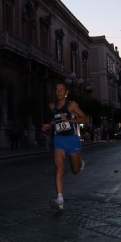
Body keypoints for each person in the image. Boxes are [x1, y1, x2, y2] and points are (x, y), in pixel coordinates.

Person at [41, 82, 88, 210]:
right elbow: (56, 119)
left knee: (75, 170)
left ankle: (79, 161)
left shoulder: (72, 105)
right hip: (59, 140)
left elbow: (85, 119)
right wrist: (50, 125)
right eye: (57, 89)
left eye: (62, 89)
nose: (59, 91)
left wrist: (70, 120)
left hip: (72, 140)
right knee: (59, 169)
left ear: (66, 92)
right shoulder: (53, 106)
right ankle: (60, 199)